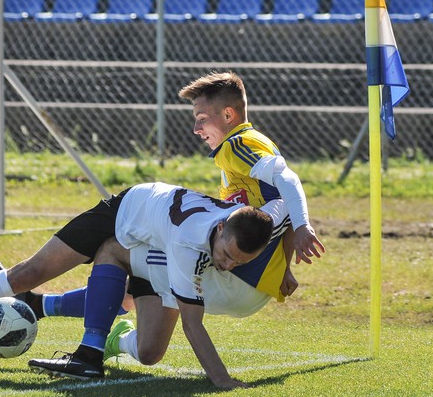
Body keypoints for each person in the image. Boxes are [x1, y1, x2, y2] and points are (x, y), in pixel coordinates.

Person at [0, 182, 281, 388]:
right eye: (227, 254)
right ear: (219, 229)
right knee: (29, 272)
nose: (227, 265)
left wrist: (286, 264)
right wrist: (223, 381)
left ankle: (69, 319)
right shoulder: (188, 242)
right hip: (125, 216)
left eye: (238, 263)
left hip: (157, 244)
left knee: (150, 353)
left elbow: (283, 205)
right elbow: (193, 323)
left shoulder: (235, 228)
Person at [99, 71, 326, 366]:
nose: (195, 128)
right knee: (147, 344)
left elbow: (287, 182)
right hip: (251, 283)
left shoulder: (238, 145)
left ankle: (45, 307)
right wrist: (282, 266)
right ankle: (115, 335)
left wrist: (303, 225)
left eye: (202, 118)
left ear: (229, 114)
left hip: (240, 275)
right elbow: (273, 209)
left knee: (120, 251)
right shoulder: (244, 148)